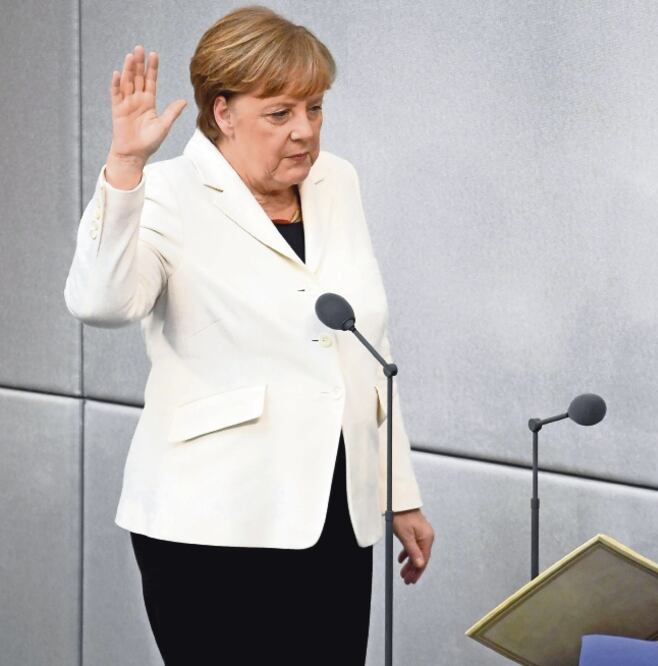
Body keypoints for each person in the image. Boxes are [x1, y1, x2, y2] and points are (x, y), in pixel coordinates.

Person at [64, 7, 433, 664]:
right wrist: (124, 168)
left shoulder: (336, 182)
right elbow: (98, 302)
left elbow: (366, 346)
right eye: (280, 113)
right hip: (211, 522)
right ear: (223, 111)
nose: (305, 131)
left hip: (333, 519)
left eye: (315, 109)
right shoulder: (167, 191)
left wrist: (397, 489)